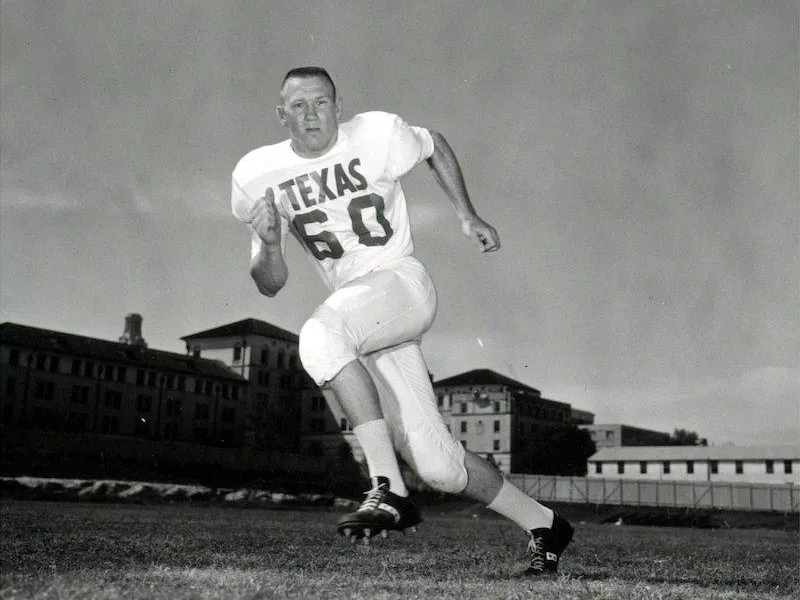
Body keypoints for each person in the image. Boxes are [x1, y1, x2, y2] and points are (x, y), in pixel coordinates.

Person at [231, 66, 573, 576]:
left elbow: (434, 143)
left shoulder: (376, 133)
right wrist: (274, 244)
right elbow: (269, 282)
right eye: (298, 106)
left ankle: (385, 488)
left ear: (339, 106)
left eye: (321, 102)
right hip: (364, 319)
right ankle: (547, 524)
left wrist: (466, 213)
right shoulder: (257, 174)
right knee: (438, 466)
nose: (311, 115)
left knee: (320, 337)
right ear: (281, 115)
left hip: (400, 284)